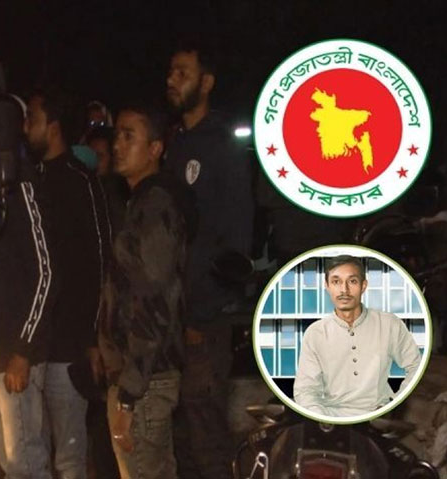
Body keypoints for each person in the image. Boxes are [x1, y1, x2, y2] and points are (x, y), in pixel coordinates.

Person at [162, 39, 253, 479]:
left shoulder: (221, 145)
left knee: (207, 433)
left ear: (207, 82)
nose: (172, 80)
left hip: (204, 320)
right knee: (178, 435)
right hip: (172, 318)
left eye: (183, 72)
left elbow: (235, 239)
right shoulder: (173, 144)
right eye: (171, 72)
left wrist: (204, 311)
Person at [24, 87, 111, 479]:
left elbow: (99, 260)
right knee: (33, 451)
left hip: (70, 343)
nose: (26, 128)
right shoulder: (30, 181)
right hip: (34, 342)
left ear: (53, 127)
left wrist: (93, 337)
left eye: (32, 119)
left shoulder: (80, 181)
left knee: (71, 455)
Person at [100, 103, 185, 479]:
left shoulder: (154, 207)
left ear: (155, 149)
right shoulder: (141, 203)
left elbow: (153, 300)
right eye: (117, 135)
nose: (118, 145)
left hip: (145, 379)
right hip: (143, 375)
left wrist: (129, 394)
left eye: (129, 136)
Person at [0, 98, 57, 478]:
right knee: (13, 461)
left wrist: (23, 350)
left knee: (25, 462)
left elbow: (47, 273)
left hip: (16, 353)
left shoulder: (21, 186)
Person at [293, 255, 422, 417]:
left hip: (380, 414)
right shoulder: (315, 332)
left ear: (363, 285)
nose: (344, 290)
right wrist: (321, 416)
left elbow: (416, 366)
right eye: (336, 282)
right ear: (327, 286)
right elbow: (305, 389)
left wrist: (394, 403)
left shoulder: (389, 324)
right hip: (330, 415)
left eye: (352, 281)